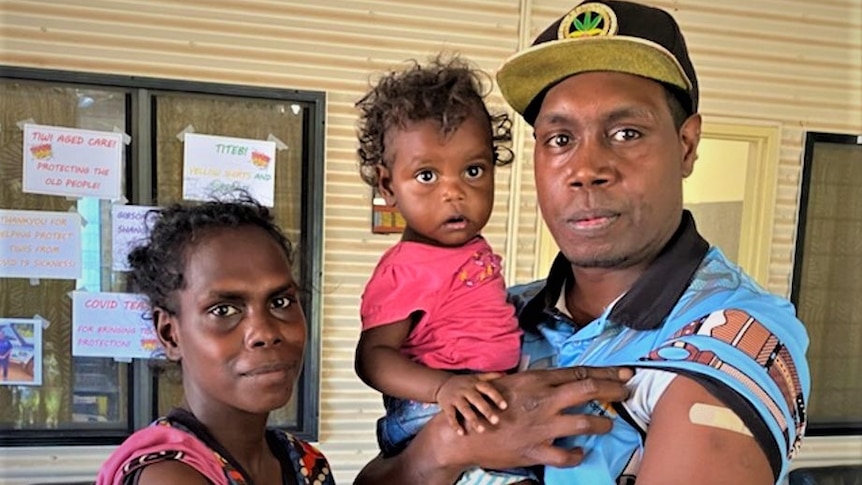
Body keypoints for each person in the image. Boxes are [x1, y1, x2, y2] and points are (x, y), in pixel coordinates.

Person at [355, 1, 810, 484]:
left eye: (626, 132)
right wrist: (446, 445)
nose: (586, 169)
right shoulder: (509, 312)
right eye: (559, 139)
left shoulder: (731, 338)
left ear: (686, 146)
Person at [353, 55, 536, 484]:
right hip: (432, 410)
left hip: (480, 395)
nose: (454, 193)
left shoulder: (467, 247)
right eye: (427, 175)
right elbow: (372, 358)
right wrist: (442, 388)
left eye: (473, 170)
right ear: (387, 186)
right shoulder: (405, 269)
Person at [97, 195, 335, 485]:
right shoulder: (168, 477)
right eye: (223, 310)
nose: (265, 333)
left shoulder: (305, 462)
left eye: (281, 302)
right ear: (170, 335)